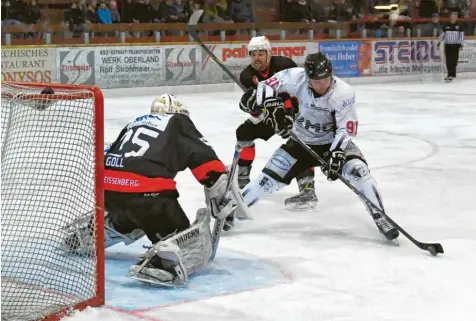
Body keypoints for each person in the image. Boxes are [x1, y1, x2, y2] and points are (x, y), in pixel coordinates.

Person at [64, 94, 234, 286]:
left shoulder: (134, 123)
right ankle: (164, 261)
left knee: (132, 212)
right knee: (180, 234)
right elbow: (203, 157)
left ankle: (108, 227)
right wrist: (220, 190)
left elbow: (107, 154)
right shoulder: (179, 122)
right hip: (148, 198)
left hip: (108, 192)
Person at [237, 53, 399, 241]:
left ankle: (380, 215)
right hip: (301, 142)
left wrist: (337, 153)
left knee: (359, 171)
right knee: (266, 181)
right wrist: (267, 103)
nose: (322, 84)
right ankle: (232, 211)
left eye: (325, 79)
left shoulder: (343, 93)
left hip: (332, 142)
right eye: (316, 81)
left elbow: (346, 129)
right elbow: (266, 85)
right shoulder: (295, 77)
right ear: (308, 78)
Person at [235, 36, 317, 213]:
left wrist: (290, 117)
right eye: (253, 54)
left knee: (299, 145)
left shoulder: (285, 65)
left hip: (296, 113)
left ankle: (307, 188)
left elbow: (301, 93)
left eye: (260, 53)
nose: (256, 58)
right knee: (243, 133)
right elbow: (257, 109)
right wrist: (251, 106)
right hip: (271, 115)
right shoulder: (247, 76)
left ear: (269, 53)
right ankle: (242, 175)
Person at [437, 11, 464, 82]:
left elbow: (461, 36)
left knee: (454, 60)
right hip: (448, 45)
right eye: (452, 16)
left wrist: (461, 44)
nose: (453, 17)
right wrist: (439, 43)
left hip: (455, 45)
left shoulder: (460, 26)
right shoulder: (446, 26)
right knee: (448, 61)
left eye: (455, 16)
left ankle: (452, 74)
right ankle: (449, 75)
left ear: (457, 18)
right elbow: (442, 35)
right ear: (450, 17)